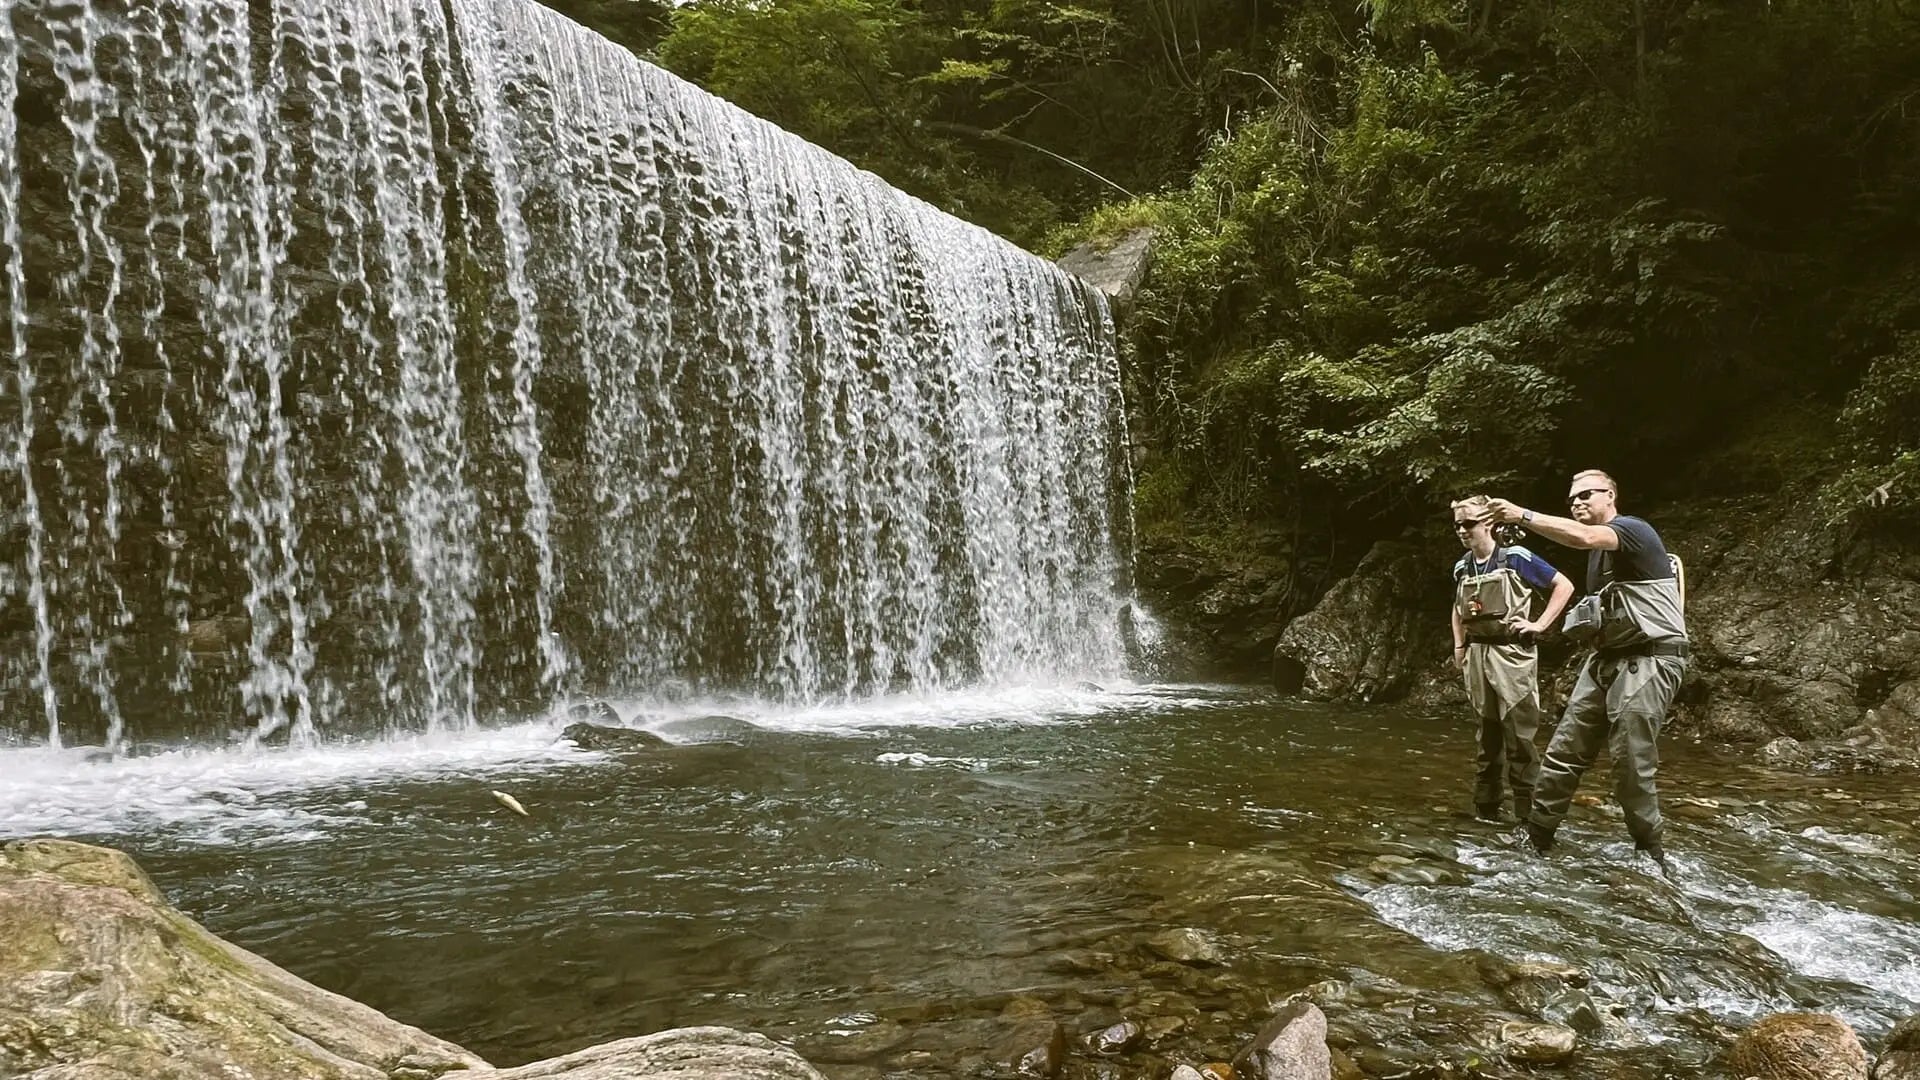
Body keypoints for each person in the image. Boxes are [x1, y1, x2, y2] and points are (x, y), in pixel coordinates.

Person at [1485, 470, 1688, 873]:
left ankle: (1650, 855)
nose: (1576, 503)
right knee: (1563, 751)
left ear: (1610, 495)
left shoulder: (1632, 530)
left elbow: (1583, 537)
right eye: (1572, 499)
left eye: (1585, 495)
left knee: (1630, 763)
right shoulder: (1597, 558)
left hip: (1650, 658)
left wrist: (1521, 515)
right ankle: (1537, 837)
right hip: (1606, 660)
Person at [1448, 496, 1575, 823]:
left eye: (1469, 523)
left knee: (1520, 737)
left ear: (1489, 522)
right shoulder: (1462, 566)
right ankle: (1486, 811)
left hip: (1512, 655)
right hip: (1477, 655)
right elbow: (1457, 609)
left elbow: (1563, 585)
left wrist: (1539, 625)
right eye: (1457, 524)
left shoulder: (1516, 557)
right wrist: (1459, 646)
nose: (1462, 530)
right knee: (1486, 738)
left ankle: (1528, 819)